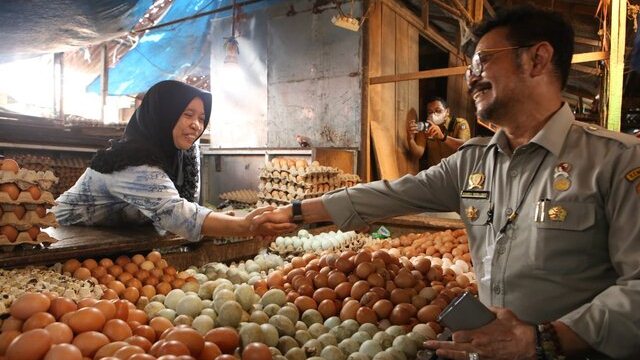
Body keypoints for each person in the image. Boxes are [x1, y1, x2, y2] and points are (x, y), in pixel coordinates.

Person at [252, 5, 640, 359]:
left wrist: (543, 339)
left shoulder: (617, 161)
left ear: (537, 59)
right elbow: (389, 194)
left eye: (482, 62)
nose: (471, 78)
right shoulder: (473, 161)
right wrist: (295, 211)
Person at [53, 80, 295, 241]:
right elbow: (175, 213)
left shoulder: (181, 154)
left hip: (113, 234)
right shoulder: (130, 162)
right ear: (163, 115)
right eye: (187, 114)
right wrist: (246, 226)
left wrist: (239, 218)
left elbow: (182, 206)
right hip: (65, 236)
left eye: (201, 118)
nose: (196, 125)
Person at [407, 96, 471, 170]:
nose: (433, 114)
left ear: (447, 112)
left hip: (457, 172)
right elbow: (418, 153)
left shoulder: (458, 124)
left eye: (438, 111)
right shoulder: (426, 127)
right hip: (436, 174)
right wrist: (410, 139)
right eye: (430, 112)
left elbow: (465, 147)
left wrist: (443, 137)